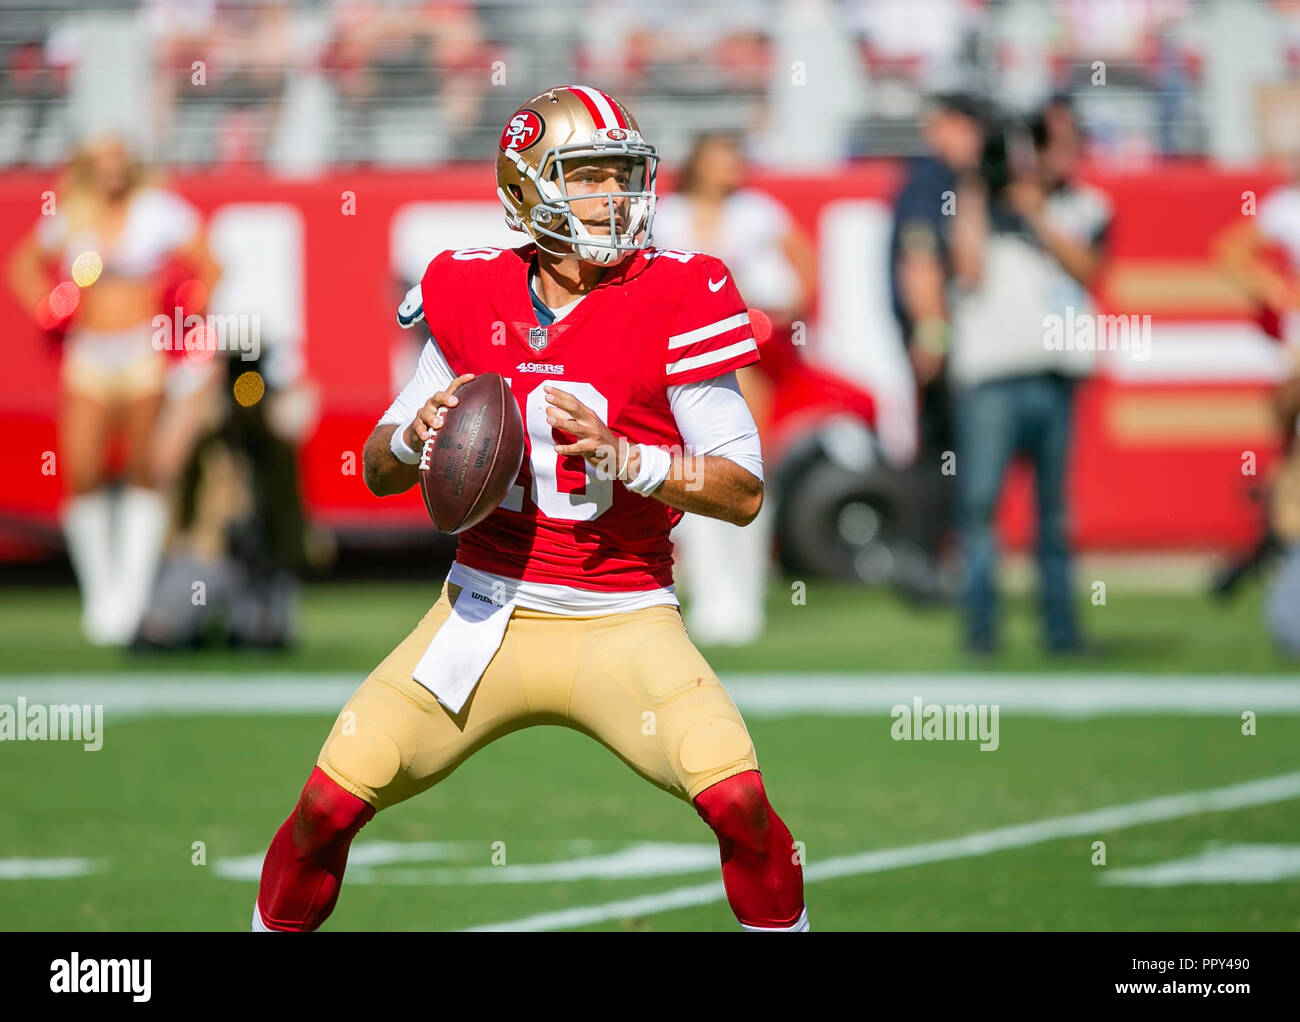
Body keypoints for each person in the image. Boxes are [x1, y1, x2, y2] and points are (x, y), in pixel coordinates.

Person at [253, 87, 808, 932]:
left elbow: (741, 489)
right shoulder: (469, 291)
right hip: (482, 616)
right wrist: (415, 437)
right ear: (526, 193)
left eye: (621, 176)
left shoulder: (676, 293)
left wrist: (635, 459)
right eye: (588, 177)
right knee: (325, 808)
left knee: (741, 804)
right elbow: (374, 469)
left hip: (626, 617)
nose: (615, 199)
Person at [6, 135, 220, 645]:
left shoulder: (157, 210)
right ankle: (101, 593)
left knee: (145, 470)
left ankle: (131, 594)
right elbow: (22, 264)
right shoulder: (73, 212)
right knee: (82, 470)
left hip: (142, 353)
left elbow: (210, 263)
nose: (110, 172)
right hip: (90, 356)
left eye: (118, 161)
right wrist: (50, 306)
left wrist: (184, 309)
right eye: (100, 163)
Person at [947, 99, 1111, 653]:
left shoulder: (1086, 205)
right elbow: (968, 272)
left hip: (1055, 376)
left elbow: (1086, 268)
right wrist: (975, 194)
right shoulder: (979, 205)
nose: (1061, 155)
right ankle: (981, 633)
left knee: (1055, 514)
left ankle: (1061, 633)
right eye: (1051, 145)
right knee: (980, 507)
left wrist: (1036, 211)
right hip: (991, 377)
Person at [653, 131, 815, 644]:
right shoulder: (667, 214)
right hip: (676, 356)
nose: (731, 168)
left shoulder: (755, 211)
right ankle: (705, 593)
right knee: (685, 469)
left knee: (741, 465)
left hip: (739, 353)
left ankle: (744, 595)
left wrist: (790, 310)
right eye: (721, 157)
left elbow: (802, 259)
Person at [887, 93, 985, 602]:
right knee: (941, 458)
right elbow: (920, 259)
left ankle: (937, 562)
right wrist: (933, 335)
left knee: (950, 457)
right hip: (943, 346)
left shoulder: (950, 181)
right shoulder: (932, 182)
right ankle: (924, 566)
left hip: (949, 343)